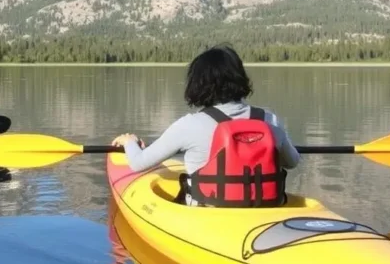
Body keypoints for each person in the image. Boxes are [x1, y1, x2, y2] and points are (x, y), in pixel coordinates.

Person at [112, 45, 299, 207]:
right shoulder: (269, 120)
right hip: (264, 209)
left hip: (207, 211)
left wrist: (130, 142)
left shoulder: (189, 125)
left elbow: (138, 163)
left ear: (198, 84)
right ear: (240, 78)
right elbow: (292, 162)